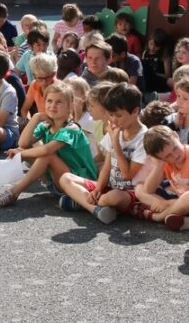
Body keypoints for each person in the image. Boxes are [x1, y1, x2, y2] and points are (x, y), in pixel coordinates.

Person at [0, 81, 96, 207]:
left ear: (70, 106)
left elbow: (47, 150)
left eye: (59, 102)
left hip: (77, 183)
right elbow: (23, 143)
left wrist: (22, 153)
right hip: (56, 181)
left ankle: (14, 192)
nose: (53, 106)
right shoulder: (46, 126)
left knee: (46, 155)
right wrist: (35, 117)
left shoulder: (71, 129)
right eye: (49, 101)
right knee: (22, 149)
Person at [58, 83, 146, 224]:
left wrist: (116, 143)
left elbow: (128, 174)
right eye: (111, 115)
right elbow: (107, 165)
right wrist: (98, 188)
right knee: (65, 178)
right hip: (111, 186)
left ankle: (84, 202)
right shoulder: (116, 129)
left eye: (118, 115)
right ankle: (96, 209)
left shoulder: (143, 137)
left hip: (130, 193)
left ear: (135, 111)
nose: (114, 120)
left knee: (112, 198)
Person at [134, 125, 189, 230]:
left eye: (175, 148)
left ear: (176, 136)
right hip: (181, 202)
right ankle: (187, 220)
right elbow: (148, 189)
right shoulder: (165, 162)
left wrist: (167, 203)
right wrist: (159, 165)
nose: (175, 156)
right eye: (167, 156)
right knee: (139, 189)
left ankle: (157, 217)